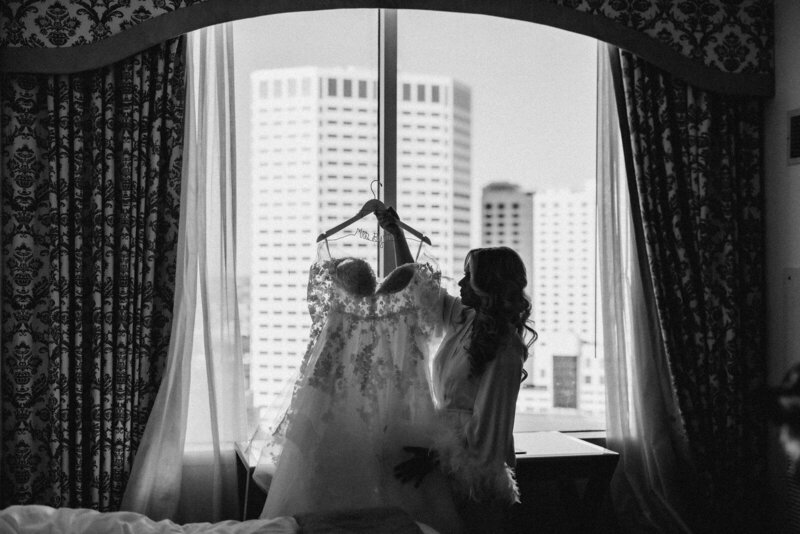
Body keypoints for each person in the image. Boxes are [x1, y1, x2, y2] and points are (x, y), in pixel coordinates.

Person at [376, 207, 537, 534]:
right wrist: (397, 235)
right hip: (441, 455)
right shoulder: (466, 318)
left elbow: (488, 432)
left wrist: (437, 457)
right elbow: (417, 287)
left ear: (488, 285)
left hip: (473, 471)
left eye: (468, 276)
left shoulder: (505, 349)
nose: (460, 282)